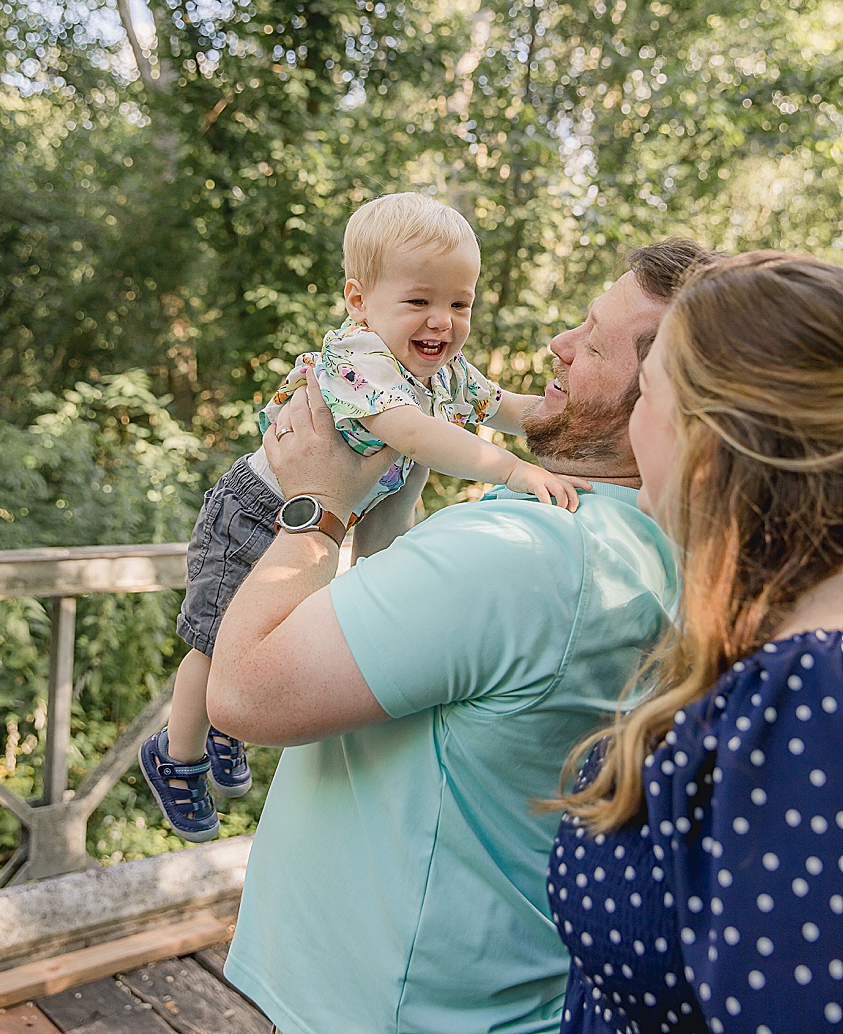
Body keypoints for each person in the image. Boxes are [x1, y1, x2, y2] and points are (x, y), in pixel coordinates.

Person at [207, 239, 712, 1034]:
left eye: (592, 342)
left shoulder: (522, 555)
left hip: (391, 1011)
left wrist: (317, 502)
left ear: (658, 397)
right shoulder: (668, 549)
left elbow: (242, 693)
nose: (559, 344)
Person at [140, 193, 586, 841]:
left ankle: (220, 725)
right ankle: (176, 755)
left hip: (325, 521)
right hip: (255, 510)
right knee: (214, 645)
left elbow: (506, 406)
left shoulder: (445, 373)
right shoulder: (360, 361)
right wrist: (513, 469)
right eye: (419, 300)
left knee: (271, 635)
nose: (442, 321)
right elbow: (413, 434)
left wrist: (567, 415)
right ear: (359, 301)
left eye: (459, 304)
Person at [546, 252, 843, 1032]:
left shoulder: (806, 696)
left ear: (704, 448)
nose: (632, 421)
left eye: (646, 392)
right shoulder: (780, 654)